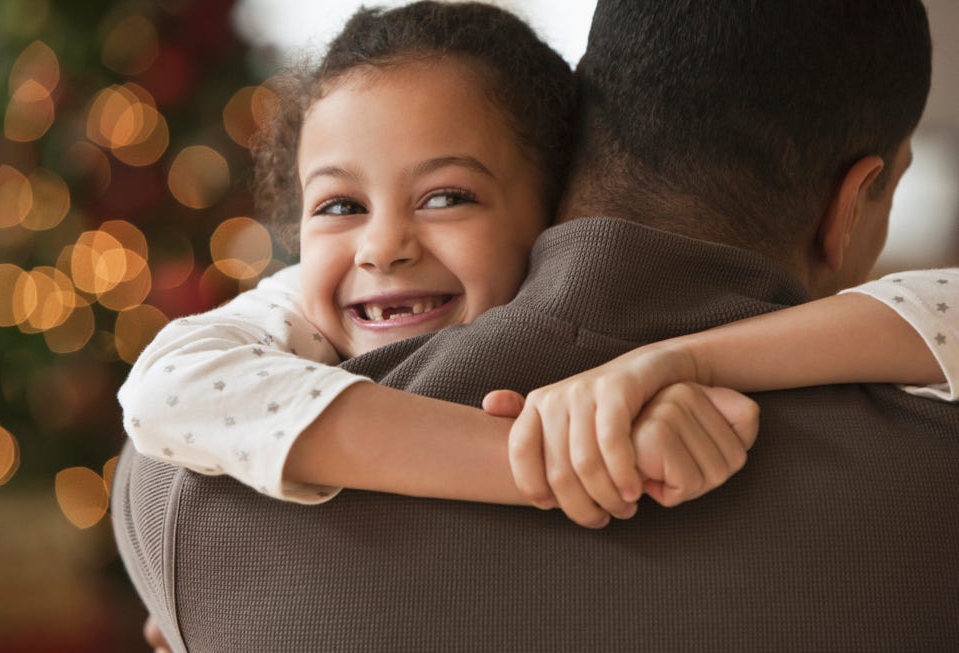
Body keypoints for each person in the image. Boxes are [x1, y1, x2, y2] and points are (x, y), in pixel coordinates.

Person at [112, 1, 959, 651]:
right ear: (852, 205)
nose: (382, 246)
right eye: (338, 205)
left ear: (557, 187)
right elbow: (179, 379)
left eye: (445, 196)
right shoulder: (931, 463)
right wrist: (560, 455)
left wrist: (664, 365)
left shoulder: (180, 493)